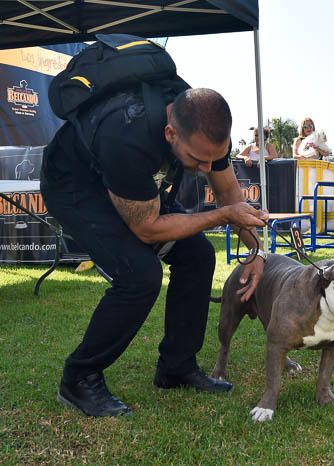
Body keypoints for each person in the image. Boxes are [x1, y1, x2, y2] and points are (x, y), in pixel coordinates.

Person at [40, 88, 269, 417]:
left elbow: (229, 194)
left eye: (213, 158)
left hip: (133, 181)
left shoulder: (205, 130)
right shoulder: (126, 137)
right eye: (198, 159)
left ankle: (176, 367)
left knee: (198, 256)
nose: (206, 168)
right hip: (76, 185)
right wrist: (221, 216)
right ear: (170, 132)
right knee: (139, 273)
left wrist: (257, 251)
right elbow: (147, 228)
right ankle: (79, 378)